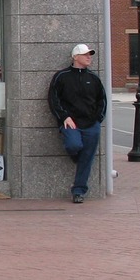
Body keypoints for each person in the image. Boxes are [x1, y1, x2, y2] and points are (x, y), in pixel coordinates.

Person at [47, 43, 107, 203]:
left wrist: (98, 119)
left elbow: (102, 100)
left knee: (87, 159)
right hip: (70, 122)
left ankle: (79, 191)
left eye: (90, 55)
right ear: (75, 57)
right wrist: (64, 117)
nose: (89, 57)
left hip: (91, 124)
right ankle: (75, 156)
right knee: (74, 145)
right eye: (85, 54)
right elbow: (54, 99)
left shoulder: (93, 78)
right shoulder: (62, 76)